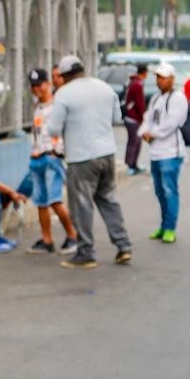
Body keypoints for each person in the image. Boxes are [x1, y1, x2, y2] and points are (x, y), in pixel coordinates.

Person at [43, 55, 133, 270]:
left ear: (65, 76)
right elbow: (116, 116)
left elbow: (53, 129)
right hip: (107, 153)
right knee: (109, 200)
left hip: (81, 157)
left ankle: (86, 252)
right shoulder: (104, 88)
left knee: (82, 205)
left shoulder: (64, 93)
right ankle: (124, 246)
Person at [24, 67, 80, 253]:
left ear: (47, 84)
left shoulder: (58, 105)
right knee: (40, 202)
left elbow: (65, 132)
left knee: (55, 200)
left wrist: (57, 152)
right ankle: (47, 240)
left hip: (51, 157)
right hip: (37, 157)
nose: (36, 89)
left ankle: (73, 235)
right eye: (33, 86)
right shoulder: (38, 107)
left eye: (39, 84)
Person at [137, 60, 190, 243]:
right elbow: (147, 118)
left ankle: (170, 228)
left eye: (163, 78)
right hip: (156, 153)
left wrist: (153, 134)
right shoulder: (156, 99)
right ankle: (163, 225)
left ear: (172, 79)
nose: (160, 81)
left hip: (171, 153)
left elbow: (172, 123)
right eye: (158, 77)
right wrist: (143, 132)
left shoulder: (178, 98)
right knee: (160, 191)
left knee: (170, 190)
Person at [121, 62, 149, 175]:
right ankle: (130, 165)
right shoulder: (138, 84)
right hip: (133, 118)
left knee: (136, 142)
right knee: (134, 142)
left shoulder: (133, 81)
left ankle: (134, 164)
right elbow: (140, 103)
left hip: (130, 117)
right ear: (144, 72)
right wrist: (144, 118)